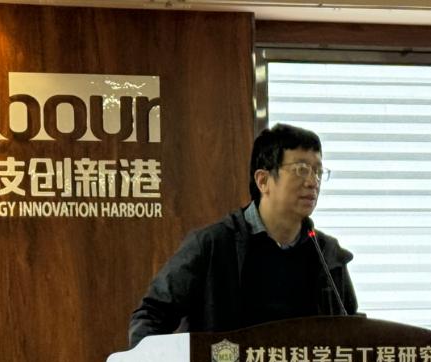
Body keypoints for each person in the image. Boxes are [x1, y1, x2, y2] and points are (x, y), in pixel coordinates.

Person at [128, 123, 358, 348]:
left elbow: (353, 333)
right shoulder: (212, 245)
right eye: (301, 170)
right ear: (263, 181)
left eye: (318, 172)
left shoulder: (327, 254)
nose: (312, 182)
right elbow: (151, 316)